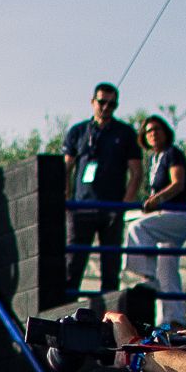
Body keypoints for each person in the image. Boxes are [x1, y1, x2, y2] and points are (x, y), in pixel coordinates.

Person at [61, 82, 143, 296]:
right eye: (102, 102)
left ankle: (109, 315)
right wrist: (67, 199)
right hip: (81, 208)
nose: (106, 108)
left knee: (110, 266)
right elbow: (66, 168)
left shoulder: (124, 133)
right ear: (92, 102)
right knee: (73, 264)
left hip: (111, 208)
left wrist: (124, 205)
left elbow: (136, 172)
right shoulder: (78, 131)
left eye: (111, 104)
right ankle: (66, 311)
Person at [123, 115, 186, 299]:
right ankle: (172, 317)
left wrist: (157, 199)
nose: (153, 133)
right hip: (168, 215)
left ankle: (147, 274)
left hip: (179, 214)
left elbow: (178, 183)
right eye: (148, 131)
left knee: (138, 227)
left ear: (165, 132)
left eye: (157, 129)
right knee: (167, 266)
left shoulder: (172, 153)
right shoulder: (155, 159)